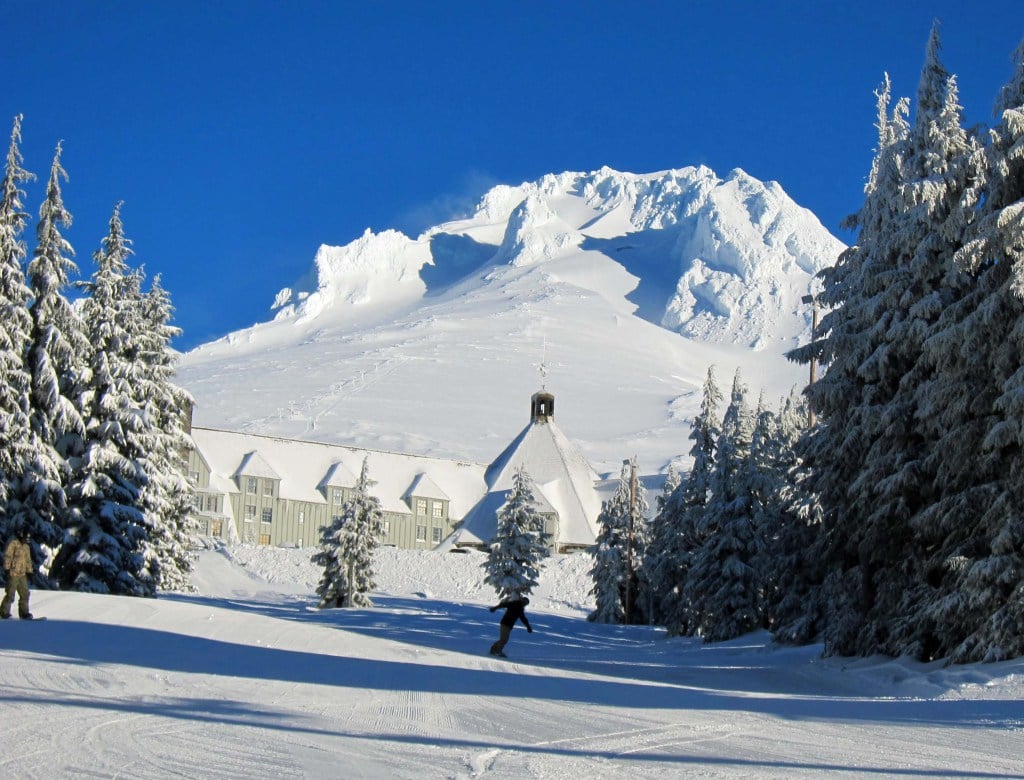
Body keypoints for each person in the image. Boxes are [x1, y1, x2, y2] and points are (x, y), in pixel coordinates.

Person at [1, 527, 34, 620]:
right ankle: (4, 612)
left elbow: (28, 560)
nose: (27, 539)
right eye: (26, 537)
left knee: (25, 594)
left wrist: (30, 571)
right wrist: (7, 569)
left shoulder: (26, 546)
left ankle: (24, 613)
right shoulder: (14, 543)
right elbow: (7, 556)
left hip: (22, 574)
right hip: (13, 573)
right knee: (10, 594)